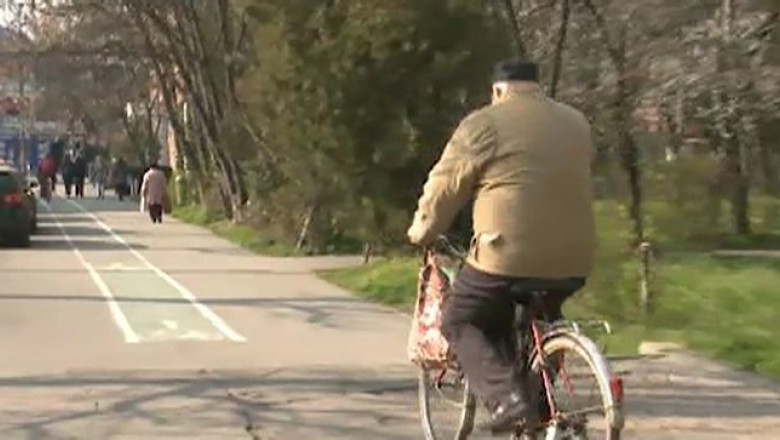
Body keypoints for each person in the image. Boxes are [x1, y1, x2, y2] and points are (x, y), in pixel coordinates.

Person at [407, 60, 596, 433]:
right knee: (544, 314)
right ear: (538, 88)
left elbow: (445, 186)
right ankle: (540, 406)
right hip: (576, 255)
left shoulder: (484, 123)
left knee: (460, 318)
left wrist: (422, 232)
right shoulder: (576, 122)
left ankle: (507, 400)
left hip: (507, 252)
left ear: (497, 91)